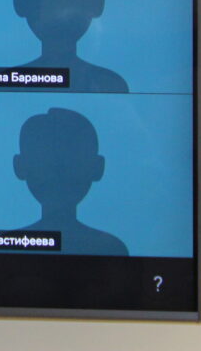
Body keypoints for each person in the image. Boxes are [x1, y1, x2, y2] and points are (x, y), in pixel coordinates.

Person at [0, 0, 128, 93]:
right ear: (21, 4)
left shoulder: (110, 84)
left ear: (97, 4)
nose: (59, 13)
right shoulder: (8, 83)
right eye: (44, 0)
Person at [12, 107, 128, 255]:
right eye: (46, 161)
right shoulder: (110, 247)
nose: (58, 171)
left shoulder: (111, 248)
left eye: (71, 162)